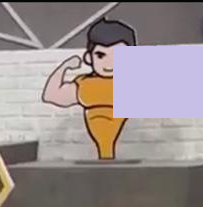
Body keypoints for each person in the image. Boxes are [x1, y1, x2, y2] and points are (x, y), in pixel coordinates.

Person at [40, 17, 137, 161]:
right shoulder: (87, 85)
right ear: (89, 58)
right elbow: (51, 95)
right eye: (101, 55)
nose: (109, 63)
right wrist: (64, 67)